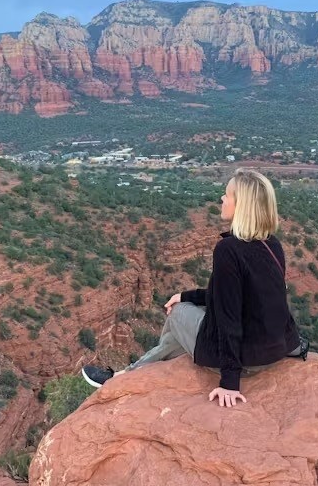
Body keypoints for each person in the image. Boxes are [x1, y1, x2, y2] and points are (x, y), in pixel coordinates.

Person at [82, 168, 302, 407]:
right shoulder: (272, 245)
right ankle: (126, 374)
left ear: (242, 206)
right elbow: (242, 296)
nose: (222, 199)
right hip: (275, 349)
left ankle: (123, 376)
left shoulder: (229, 250)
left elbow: (229, 316)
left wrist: (229, 381)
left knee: (177, 313)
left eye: (227, 195)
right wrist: (186, 295)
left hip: (248, 359)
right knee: (183, 306)